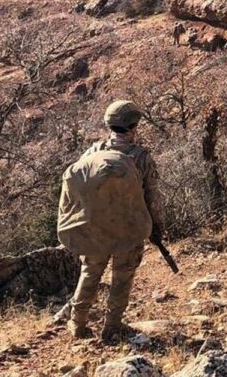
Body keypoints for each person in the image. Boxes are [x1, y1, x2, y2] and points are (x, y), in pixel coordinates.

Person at [64, 100, 164, 343]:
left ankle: (77, 323)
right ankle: (112, 327)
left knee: (89, 272)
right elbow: (153, 197)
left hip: (95, 229)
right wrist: (156, 227)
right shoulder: (141, 157)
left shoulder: (92, 152)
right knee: (122, 275)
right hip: (128, 230)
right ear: (134, 125)